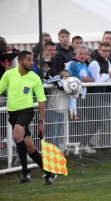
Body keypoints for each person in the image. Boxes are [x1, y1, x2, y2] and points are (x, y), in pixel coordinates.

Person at [0, 51, 57, 185]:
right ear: (20, 61)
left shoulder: (35, 77)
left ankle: (25, 172)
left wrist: (41, 121)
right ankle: (50, 172)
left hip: (26, 111)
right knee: (30, 147)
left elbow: (41, 100)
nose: (32, 62)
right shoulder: (9, 74)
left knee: (16, 136)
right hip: (13, 113)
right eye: (29, 60)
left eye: (32, 60)